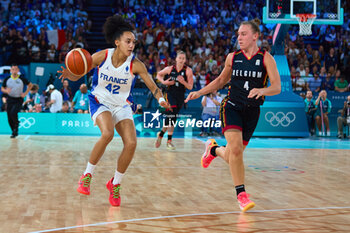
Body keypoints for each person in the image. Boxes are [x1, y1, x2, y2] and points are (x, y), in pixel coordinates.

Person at [58, 15, 170, 207]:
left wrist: (160, 98)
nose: (131, 45)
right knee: (108, 133)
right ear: (117, 42)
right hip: (99, 101)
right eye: (128, 41)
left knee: (132, 143)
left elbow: (154, 87)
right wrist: (72, 72)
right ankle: (86, 175)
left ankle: (115, 184)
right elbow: (81, 70)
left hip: (122, 105)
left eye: (133, 42)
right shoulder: (103, 56)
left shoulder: (136, 65)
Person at [185, 18, 281, 212]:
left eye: (243, 34)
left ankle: (213, 149)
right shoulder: (232, 57)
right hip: (231, 107)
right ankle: (241, 195)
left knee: (231, 156)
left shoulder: (266, 58)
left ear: (255, 36)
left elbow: (277, 87)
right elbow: (220, 80)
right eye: (238, 34)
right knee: (236, 151)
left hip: (252, 111)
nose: (239, 37)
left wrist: (262, 91)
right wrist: (200, 92)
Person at [155, 50, 194, 150]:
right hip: (170, 94)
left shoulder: (188, 70)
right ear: (176, 59)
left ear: (185, 60)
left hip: (180, 96)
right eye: (179, 58)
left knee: (172, 117)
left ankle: (161, 134)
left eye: (183, 58)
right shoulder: (170, 69)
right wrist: (164, 82)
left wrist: (183, 82)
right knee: (172, 114)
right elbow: (158, 75)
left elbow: (190, 87)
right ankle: (169, 141)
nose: (181, 60)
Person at [1, 64, 32, 138]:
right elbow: (2, 88)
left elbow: (30, 85)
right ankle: (14, 131)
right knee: (9, 117)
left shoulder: (22, 79)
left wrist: (25, 93)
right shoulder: (7, 79)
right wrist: (6, 90)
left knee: (13, 112)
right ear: (10, 70)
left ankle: (16, 124)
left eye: (16, 69)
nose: (14, 71)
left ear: (18, 70)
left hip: (18, 99)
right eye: (13, 69)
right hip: (10, 99)